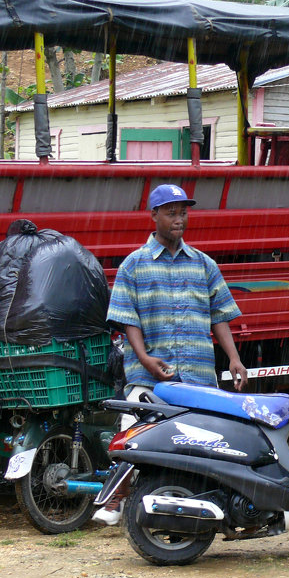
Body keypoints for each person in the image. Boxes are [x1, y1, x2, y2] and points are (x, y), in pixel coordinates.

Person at [93, 183, 248, 525]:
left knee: (202, 442)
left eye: (183, 213)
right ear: (154, 216)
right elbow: (126, 320)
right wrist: (145, 357)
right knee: (134, 436)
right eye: (171, 213)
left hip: (198, 374)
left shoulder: (204, 265)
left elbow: (220, 316)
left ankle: (196, 504)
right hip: (149, 374)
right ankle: (115, 501)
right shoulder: (134, 265)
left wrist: (234, 359)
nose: (179, 220)